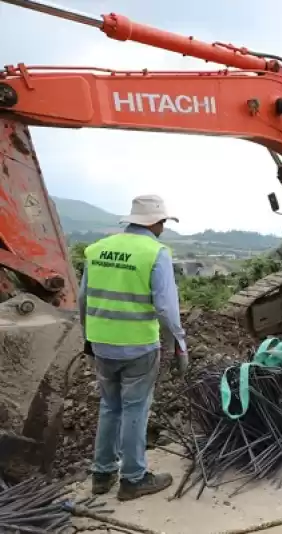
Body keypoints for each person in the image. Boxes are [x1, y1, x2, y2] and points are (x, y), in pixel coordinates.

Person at [79, 194, 187, 501]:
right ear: (156, 222)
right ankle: (133, 479)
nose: (164, 226)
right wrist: (179, 345)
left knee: (109, 407)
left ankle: (101, 475)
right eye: (163, 221)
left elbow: (83, 299)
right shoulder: (156, 253)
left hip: (102, 344)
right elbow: (166, 309)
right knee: (135, 410)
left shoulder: (97, 249)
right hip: (138, 347)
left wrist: (90, 337)